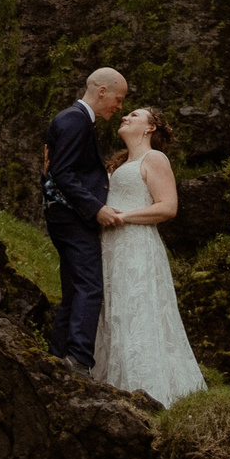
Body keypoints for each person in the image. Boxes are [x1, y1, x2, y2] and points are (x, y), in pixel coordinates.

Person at [92, 105, 207, 405]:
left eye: (134, 115)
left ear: (150, 128)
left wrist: (123, 216)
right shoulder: (116, 164)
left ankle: (147, 391)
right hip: (110, 246)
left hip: (136, 245)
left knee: (138, 310)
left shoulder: (153, 158)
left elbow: (168, 206)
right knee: (113, 312)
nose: (125, 117)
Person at [41, 67, 127, 370]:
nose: (119, 107)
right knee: (90, 286)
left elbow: (56, 169)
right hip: (73, 218)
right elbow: (62, 173)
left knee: (74, 287)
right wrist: (96, 208)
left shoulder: (73, 120)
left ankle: (57, 354)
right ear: (102, 91)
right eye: (118, 99)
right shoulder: (75, 120)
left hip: (62, 216)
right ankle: (78, 359)